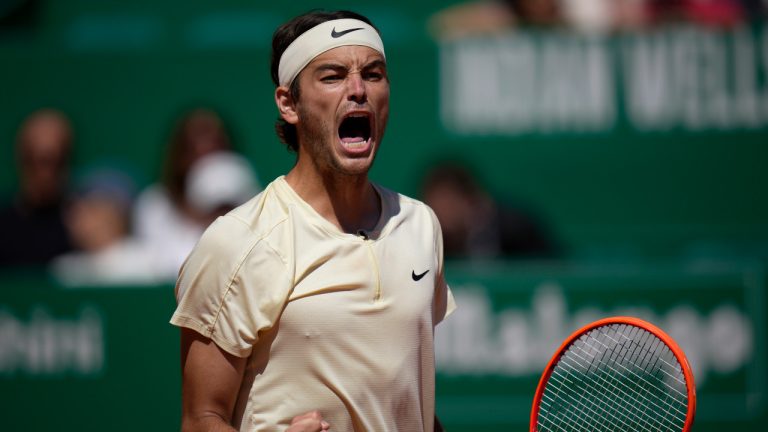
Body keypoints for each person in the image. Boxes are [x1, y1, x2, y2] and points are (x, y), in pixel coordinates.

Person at [171, 9, 455, 432]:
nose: (358, 90)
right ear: (289, 104)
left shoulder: (421, 226)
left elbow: (409, 404)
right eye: (333, 76)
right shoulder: (237, 243)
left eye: (374, 74)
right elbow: (200, 420)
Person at [132, 108, 234, 279]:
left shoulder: (252, 201)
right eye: (192, 148)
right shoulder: (154, 206)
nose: (205, 160)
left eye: (215, 146)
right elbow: (163, 268)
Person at [421, 162, 558, 260]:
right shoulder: (425, 239)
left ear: (469, 202)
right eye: (435, 206)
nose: (442, 213)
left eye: (449, 204)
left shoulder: (514, 230)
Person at [0, 109, 74, 268]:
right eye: (33, 159)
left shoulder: (79, 227)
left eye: (55, 160)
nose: (45, 173)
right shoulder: (3, 226)